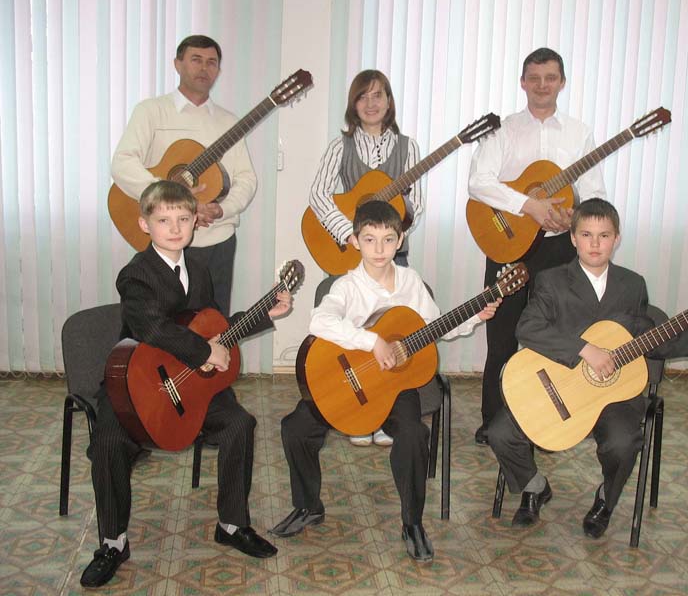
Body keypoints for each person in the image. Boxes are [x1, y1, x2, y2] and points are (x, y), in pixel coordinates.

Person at [80, 181, 291, 588]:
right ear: (145, 224)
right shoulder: (136, 275)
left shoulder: (200, 268)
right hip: (137, 386)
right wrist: (204, 351)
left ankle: (232, 525)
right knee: (108, 442)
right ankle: (112, 543)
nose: (175, 228)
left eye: (183, 219)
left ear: (196, 221)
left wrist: (265, 314)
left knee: (239, 424)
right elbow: (153, 328)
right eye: (164, 220)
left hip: (190, 384)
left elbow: (212, 326)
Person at [271, 200, 500, 562]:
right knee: (295, 428)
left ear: (400, 240)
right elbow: (320, 321)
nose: (379, 249)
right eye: (370, 239)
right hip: (349, 382)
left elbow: (435, 326)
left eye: (388, 240)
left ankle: (412, 523)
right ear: (355, 241)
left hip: (396, 386)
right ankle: (307, 505)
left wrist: (475, 315)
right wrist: (372, 342)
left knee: (413, 435)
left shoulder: (411, 282)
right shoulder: (346, 286)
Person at [487, 198, 688, 538]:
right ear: (573, 238)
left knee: (623, 443)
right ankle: (534, 486)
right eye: (586, 235)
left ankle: (605, 499)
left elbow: (649, 339)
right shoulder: (551, 280)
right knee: (500, 433)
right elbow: (528, 328)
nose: (595, 243)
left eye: (604, 235)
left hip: (613, 395)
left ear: (616, 239)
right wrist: (585, 350)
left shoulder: (632, 284)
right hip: (558, 384)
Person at [468, 47, 606, 446]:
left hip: (559, 249)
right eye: (534, 78)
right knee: (502, 337)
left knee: (555, 336)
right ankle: (494, 423)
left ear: (562, 82)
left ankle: (547, 421)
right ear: (522, 82)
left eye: (550, 78)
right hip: (507, 242)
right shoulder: (503, 130)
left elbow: (595, 193)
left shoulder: (580, 134)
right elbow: (478, 182)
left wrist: (573, 217)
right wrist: (529, 205)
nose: (542, 85)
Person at [310, 69, 424, 447]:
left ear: (389, 101)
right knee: (352, 326)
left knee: (394, 331)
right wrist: (349, 233)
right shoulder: (339, 147)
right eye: (363, 96)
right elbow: (318, 195)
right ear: (353, 104)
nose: (371, 103)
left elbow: (417, 204)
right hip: (350, 251)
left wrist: (393, 220)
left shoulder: (408, 148)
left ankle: (385, 410)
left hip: (390, 255)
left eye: (379, 95)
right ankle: (355, 410)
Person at [112, 34, 256, 316]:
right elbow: (122, 162)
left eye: (211, 62)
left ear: (218, 70)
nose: (204, 68)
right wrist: (171, 199)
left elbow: (246, 179)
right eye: (196, 60)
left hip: (217, 241)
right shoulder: (151, 111)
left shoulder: (229, 122)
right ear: (177, 64)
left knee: (214, 323)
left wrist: (221, 209)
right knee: (161, 323)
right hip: (164, 240)